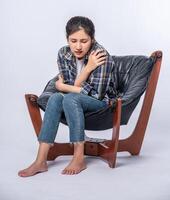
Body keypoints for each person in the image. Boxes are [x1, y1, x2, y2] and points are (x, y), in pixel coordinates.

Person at [18, 16, 114, 177]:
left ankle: (79, 157)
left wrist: (64, 85)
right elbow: (73, 88)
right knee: (55, 98)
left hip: (101, 103)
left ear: (92, 39)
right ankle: (40, 160)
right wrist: (68, 86)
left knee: (69, 97)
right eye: (73, 40)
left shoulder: (100, 55)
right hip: (75, 101)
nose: (78, 46)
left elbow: (97, 94)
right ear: (67, 39)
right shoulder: (63, 53)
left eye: (84, 41)